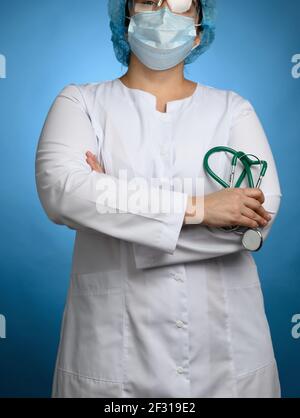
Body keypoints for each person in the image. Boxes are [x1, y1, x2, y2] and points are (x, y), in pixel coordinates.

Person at [35, 0, 283, 398]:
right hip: (110, 362)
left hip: (225, 357)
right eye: (150, 0)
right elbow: (61, 191)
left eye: (182, 3)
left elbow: (256, 223)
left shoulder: (234, 110)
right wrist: (202, 209)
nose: (165, 13)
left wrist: (116, 205)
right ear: (126, 18)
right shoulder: (80, 102)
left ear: (200, 27)